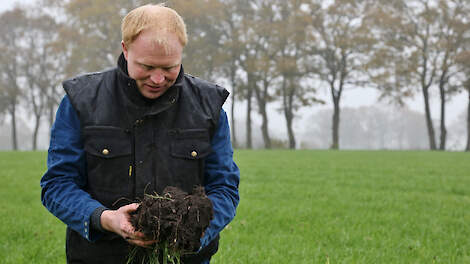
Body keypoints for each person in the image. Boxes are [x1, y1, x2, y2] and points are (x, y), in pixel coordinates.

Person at [40, 4, 240, 264]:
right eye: (146, 66)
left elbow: (224, 187)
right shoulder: (82, 102)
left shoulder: (209, 107)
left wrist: (192, 232)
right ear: (125, 49)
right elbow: (57, 184)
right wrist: (106, 219)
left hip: (185, 258)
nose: (157, 79)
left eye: (169, 68)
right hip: (100, 257)